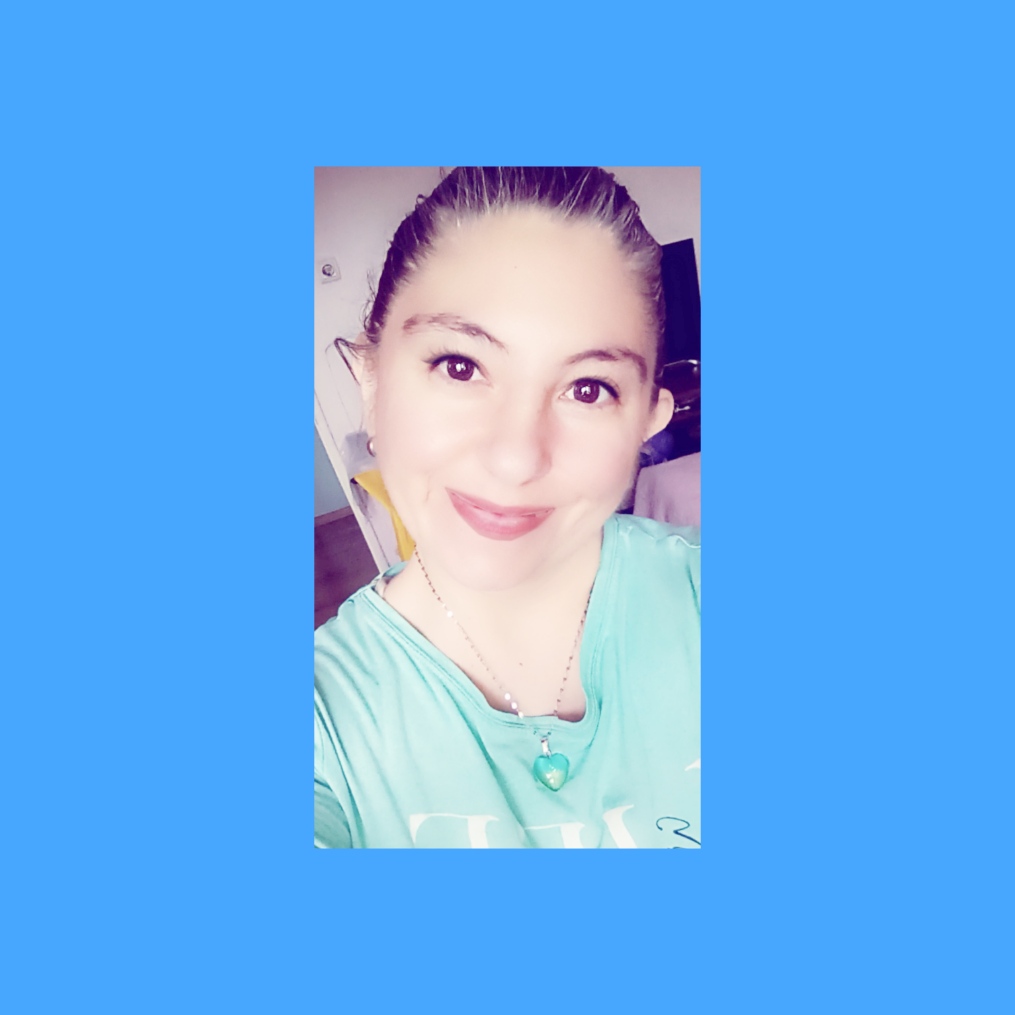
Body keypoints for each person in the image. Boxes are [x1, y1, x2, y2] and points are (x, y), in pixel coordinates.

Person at [314, 167, 700, 848]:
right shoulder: (326, 719)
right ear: (371, 382)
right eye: (459, 367)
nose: (516, 458)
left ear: (648, 419)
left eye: (587, 389)